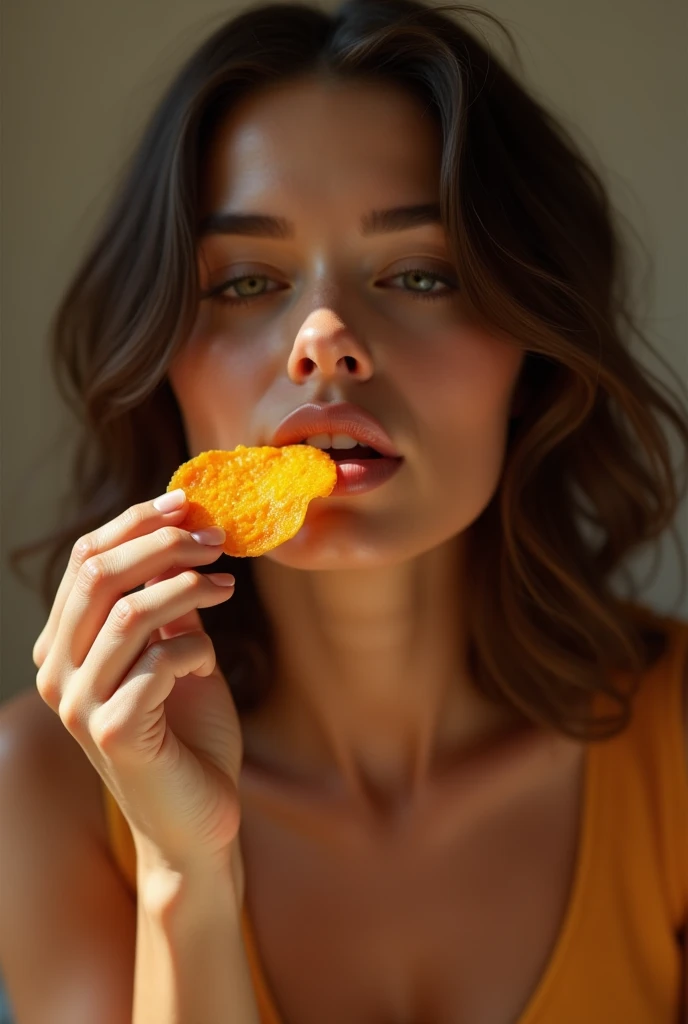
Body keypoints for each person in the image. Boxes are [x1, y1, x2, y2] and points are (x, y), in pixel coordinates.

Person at [1, 0, 687, 1021]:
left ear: (531, 354)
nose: (323, 336)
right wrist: (185, 870)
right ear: (165, 368)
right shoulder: (43, 785)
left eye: (418, 272)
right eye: (244, 280)